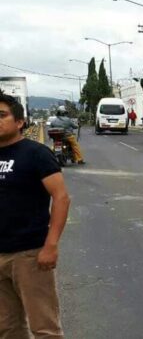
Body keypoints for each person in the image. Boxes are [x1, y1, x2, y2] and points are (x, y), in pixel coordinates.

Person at [0, 92, 71, 338]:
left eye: (2, 115)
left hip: (29, 255)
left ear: (20, 122)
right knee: (7, 328)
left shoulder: (36, 153)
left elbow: (61, 198)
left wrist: (51, 246)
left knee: (45, 328)